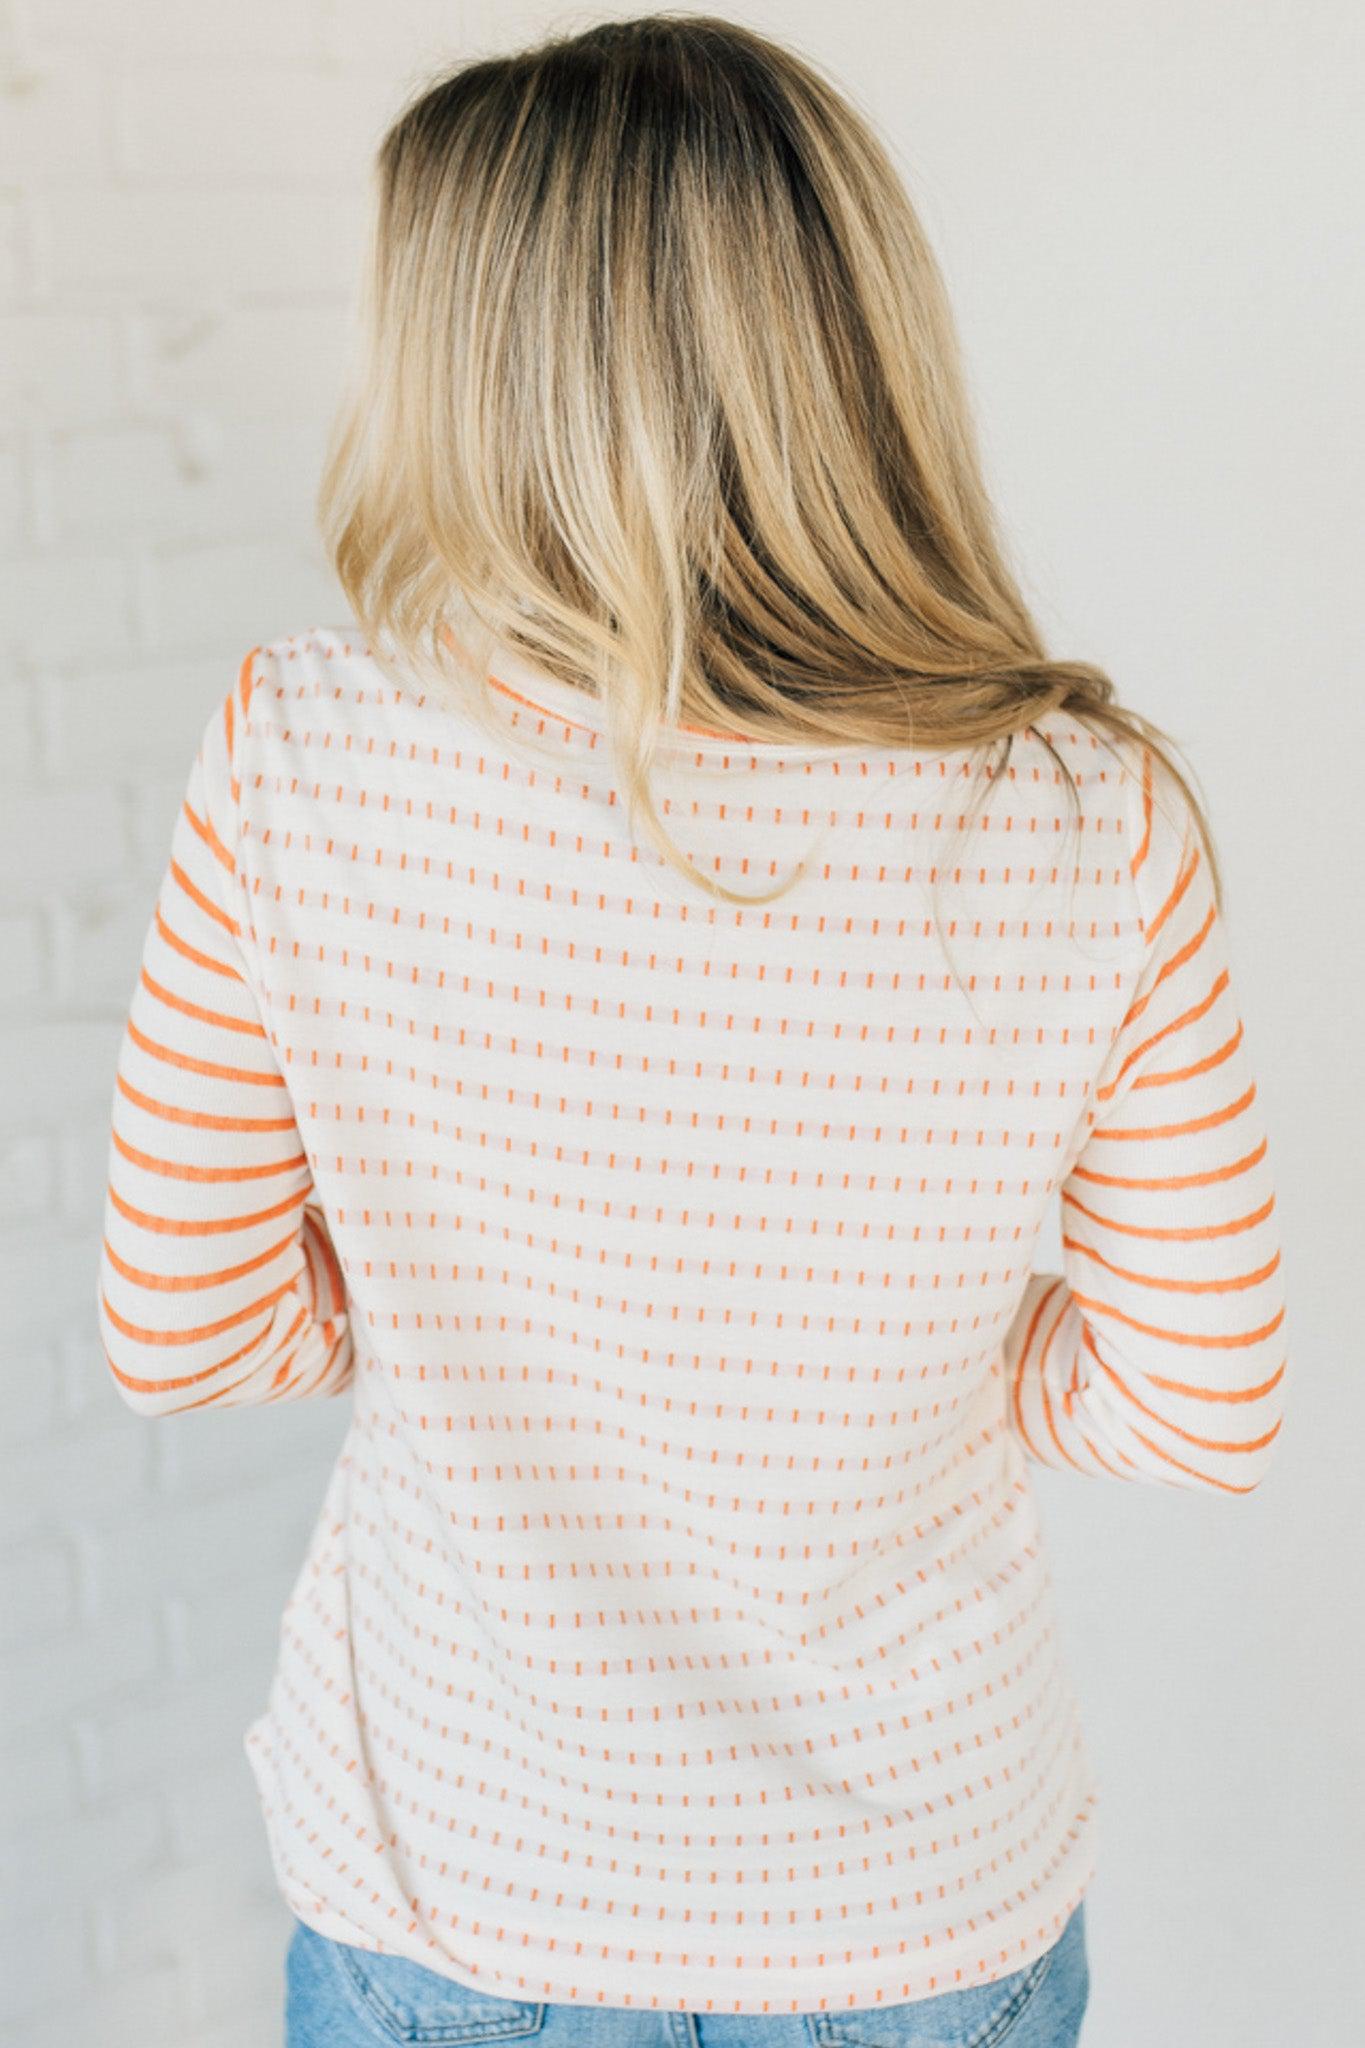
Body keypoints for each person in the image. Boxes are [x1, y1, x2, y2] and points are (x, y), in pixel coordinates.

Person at [96, 15, 1288, 2045]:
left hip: (467, 1902)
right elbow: (1200, 1404)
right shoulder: (1093, 816)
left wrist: (490, 1301)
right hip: (926, 1922)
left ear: (474, 376)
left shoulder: (300, 751)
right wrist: (896, 1339)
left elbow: (183, 1332)